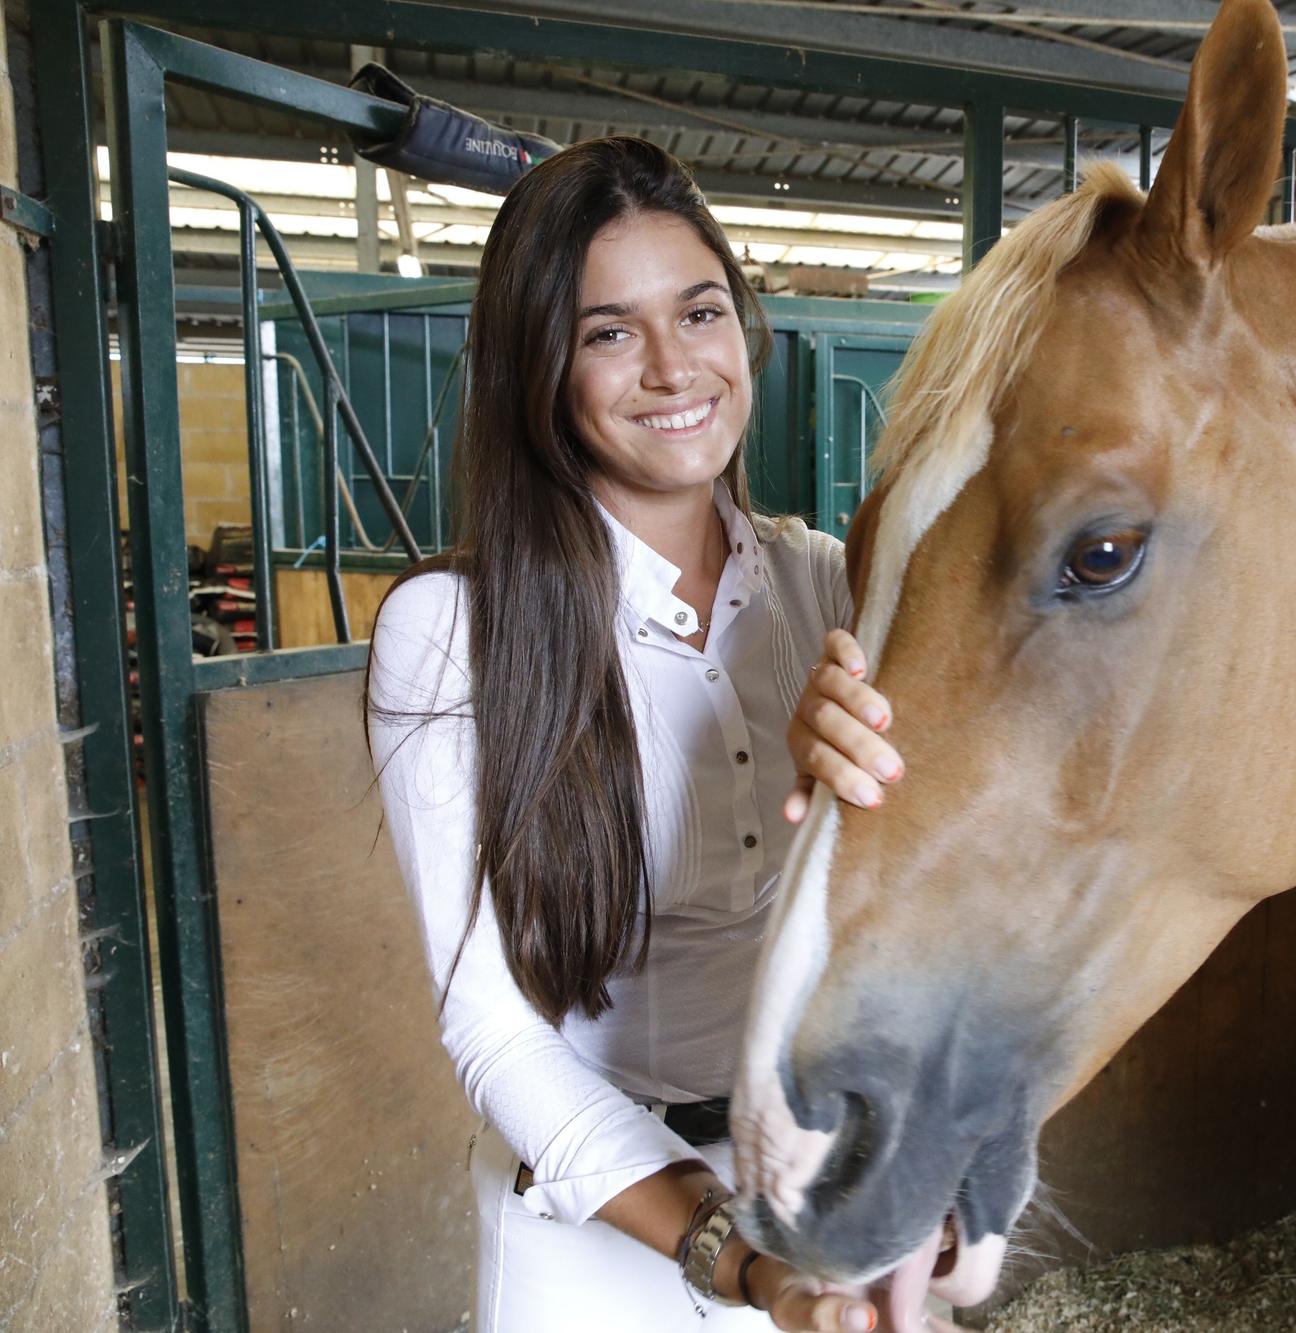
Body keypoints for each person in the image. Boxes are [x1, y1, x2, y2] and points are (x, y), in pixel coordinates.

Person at [365, 136, 913, 1332]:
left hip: (813, 1175)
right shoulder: (452, 631)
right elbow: (492, 1026)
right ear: (540, 366)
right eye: (610, 331)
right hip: (593, 1224)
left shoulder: (830, 585)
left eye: (700, 311)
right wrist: (743, 1262)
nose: (674, 367)